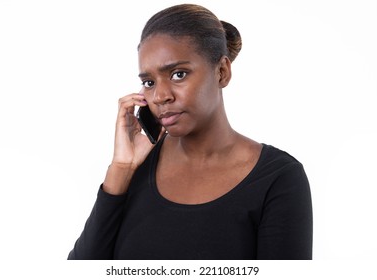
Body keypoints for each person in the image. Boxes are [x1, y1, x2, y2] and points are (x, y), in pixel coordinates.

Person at [68, 3, 313, 260]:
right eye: (149, 83)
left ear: (222, 72)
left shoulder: (277, 178)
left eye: (178, 74)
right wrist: (121, 169)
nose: (160, 96)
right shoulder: (137, 168)